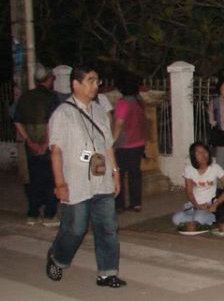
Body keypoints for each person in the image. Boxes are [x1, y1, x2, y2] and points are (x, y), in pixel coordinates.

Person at [45, 65, 126, 288]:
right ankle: (57, 257)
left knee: (108, 227)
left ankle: (107, 273)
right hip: (76, 181)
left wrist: (115, 174)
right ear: (76, 84)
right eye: (90, 80)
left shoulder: (100, 111)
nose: (95, 85)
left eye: (97, 80)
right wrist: (59, 182)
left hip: (102, 180)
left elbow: (108, 145)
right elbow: (56, 151)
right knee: (76, 228)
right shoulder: (63, 114)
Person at [13, 64, 60, 226]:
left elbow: (17, 121)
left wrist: (29, 141)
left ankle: (32, 214)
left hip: (31, 146)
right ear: (48, 80)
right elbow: (51, 122)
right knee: (51, 180)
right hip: (48, 146)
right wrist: (46, 143)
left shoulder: (25, 97)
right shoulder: (51, 98)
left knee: (35, 180)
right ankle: (49, 215)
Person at [172, 142, 224, 227]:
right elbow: (189, 192)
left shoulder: (215, 168)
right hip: (194, 205)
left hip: (208, 205)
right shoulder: (189, 169)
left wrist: (215, 204)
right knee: (176, 219)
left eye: (205, 151)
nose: (203, 155)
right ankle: (197, 220)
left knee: (199, 218)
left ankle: (206, 218)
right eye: (198, 153)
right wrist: (196, 206)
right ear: (193, 156)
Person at [113, 75, 146, 213]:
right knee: (134, 175)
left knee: (119, 175)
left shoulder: (123, 102)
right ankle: (136, 203)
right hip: (138, 143)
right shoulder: (139, 101)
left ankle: (119, 205)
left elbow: (119, 124)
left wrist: (111, 141)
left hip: (125, 144)